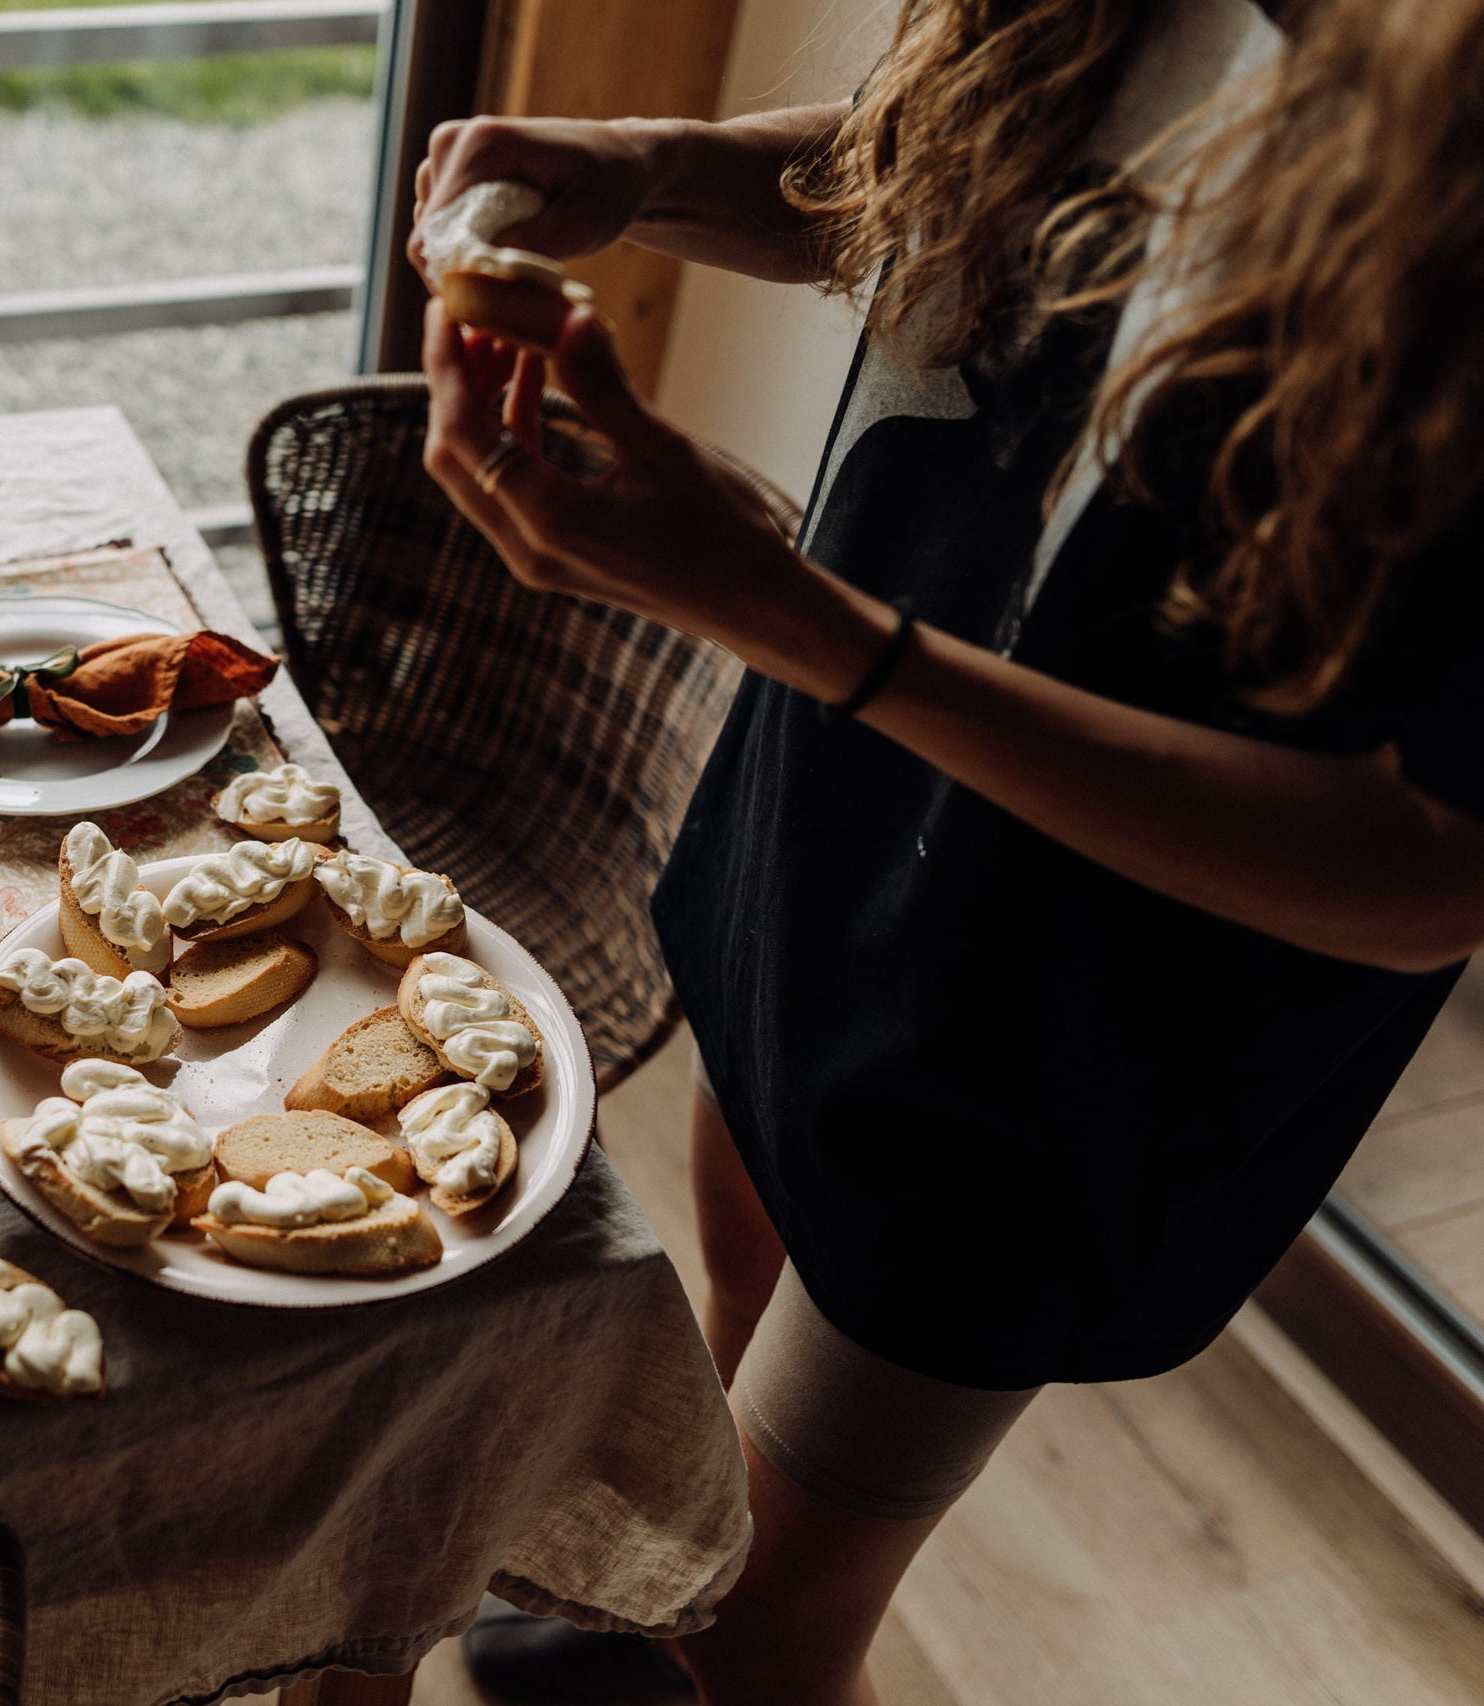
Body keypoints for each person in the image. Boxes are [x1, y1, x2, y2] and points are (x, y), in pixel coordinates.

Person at [414, 0, 1484, 1701]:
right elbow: (953, 180)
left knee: (766, 1628)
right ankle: (652, 1599)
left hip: (1059, 1047)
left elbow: (1435, 867)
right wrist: (645, 169)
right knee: (740, 1301)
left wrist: (790, 615)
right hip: (820, 827)